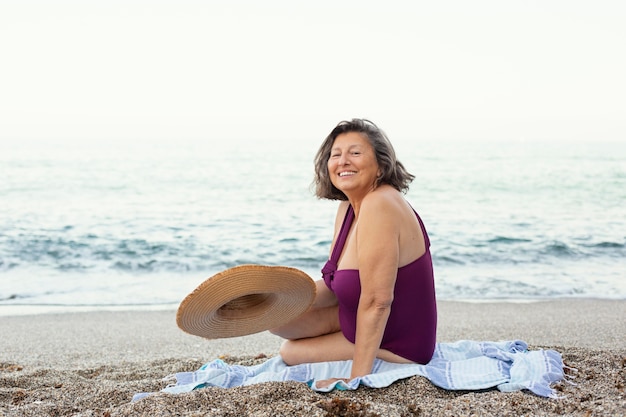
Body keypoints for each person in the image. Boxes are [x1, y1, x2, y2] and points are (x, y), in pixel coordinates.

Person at [270, 118, 437, 387]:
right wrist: (274, 299)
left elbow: (377, 301)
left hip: (401, 344)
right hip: (355, 321)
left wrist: (356, 378)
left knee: (290, 352)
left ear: (381, 165)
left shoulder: (380, 204)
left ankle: (367, 356)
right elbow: (334, 285)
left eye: (355, 153)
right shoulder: (348, 209)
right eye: (336, 155)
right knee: (278, 320)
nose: (343, 161)